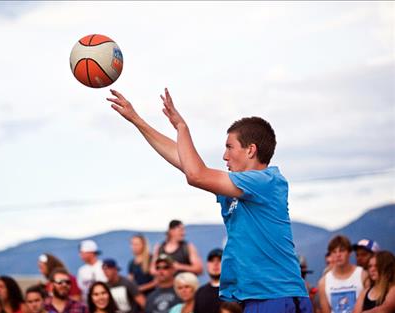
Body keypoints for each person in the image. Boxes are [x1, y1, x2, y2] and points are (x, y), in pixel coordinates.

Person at [107, 88, 311, 312]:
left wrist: (182, 128)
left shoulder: (267, 180)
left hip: (278, 295)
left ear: (251, 150)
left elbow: (196, 174)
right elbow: (185, 161)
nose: (224, 155)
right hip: (259, 296)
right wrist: (137, 120)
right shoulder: (236, 188)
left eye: (229, 147)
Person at [318, 235, 369, 313]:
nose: (338, 255)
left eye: (342, 250)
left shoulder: (363, 275)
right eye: (334, 252)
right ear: (330, 255)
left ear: (349, 253)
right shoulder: (323, 282)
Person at [193, 248, 223, 313]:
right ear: (207, 265)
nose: (215, 264)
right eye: (212, 261)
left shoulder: (235, 291)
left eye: (220, 260)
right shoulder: (200, 292)